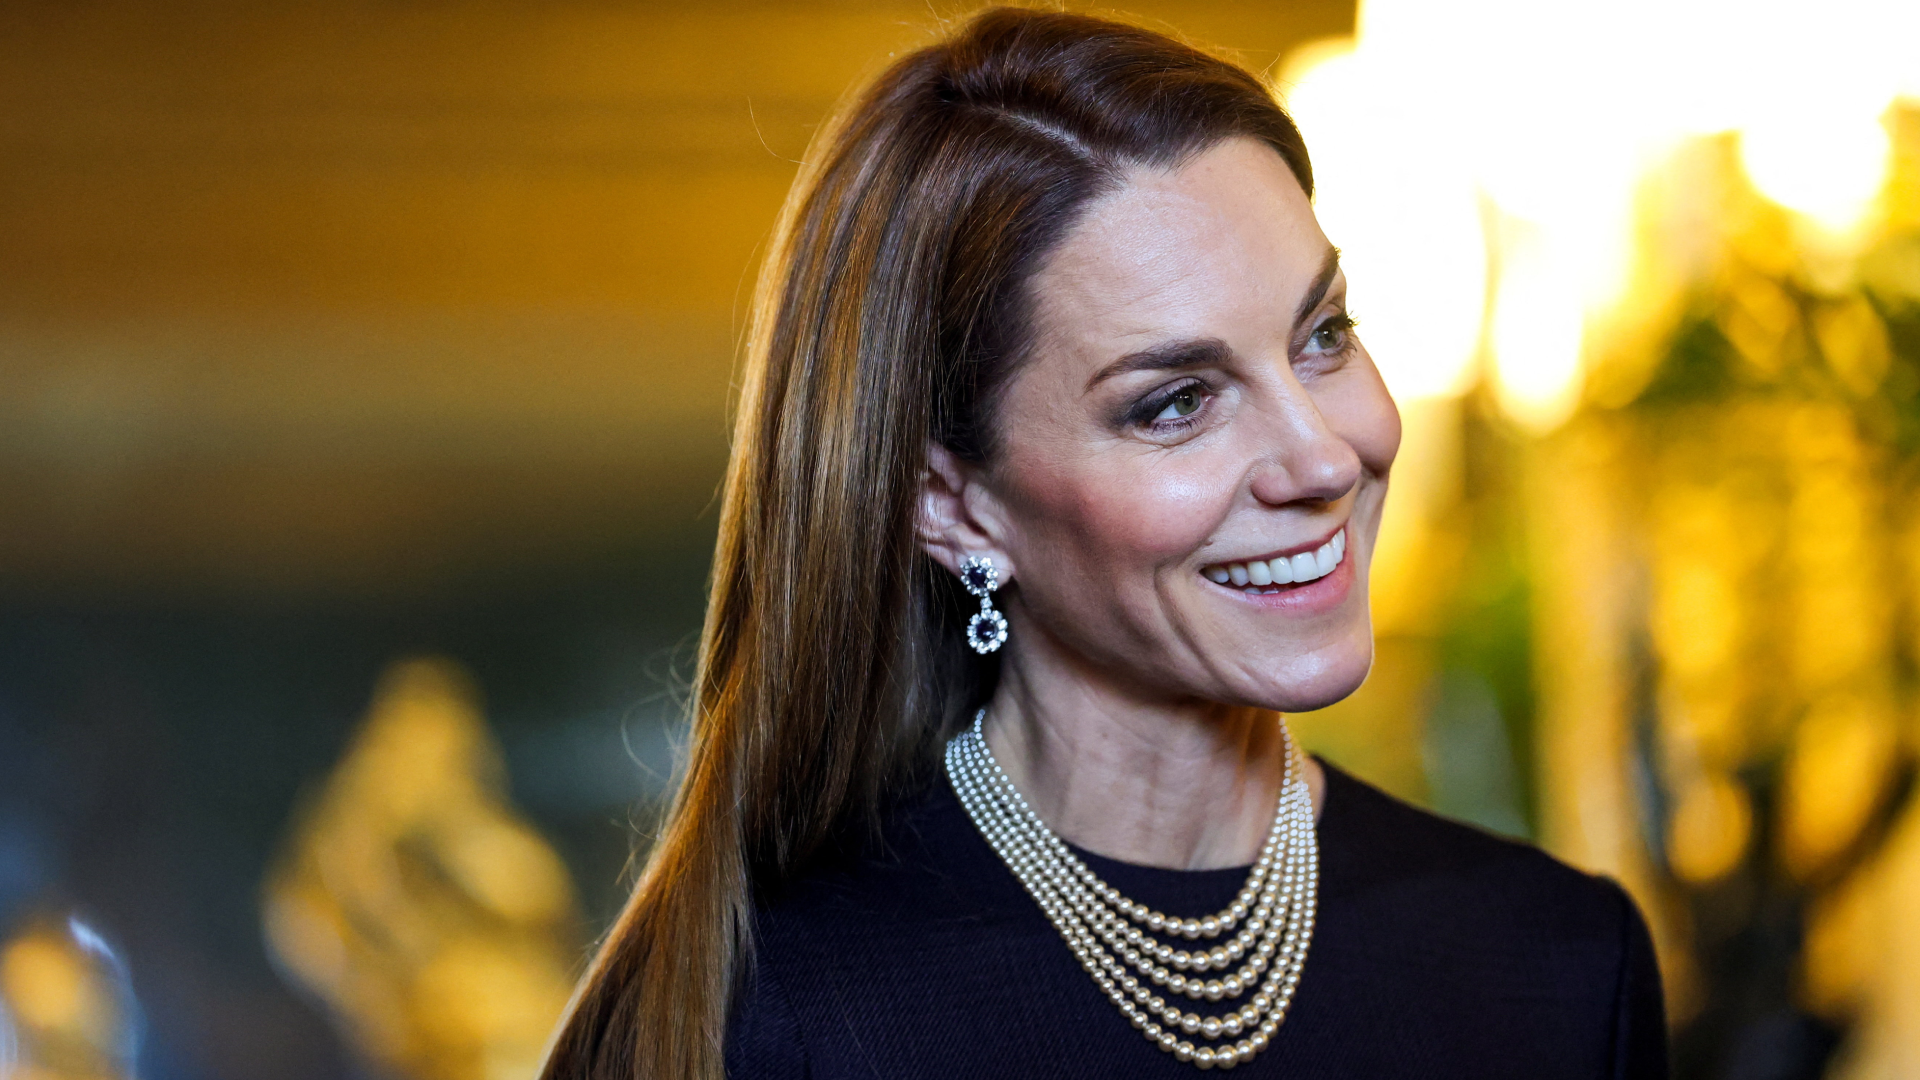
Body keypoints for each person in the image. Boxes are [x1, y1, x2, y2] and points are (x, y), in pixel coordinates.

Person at [540, 8, 1667, 1079]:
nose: (1324, 458)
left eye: (1324, 335)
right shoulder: (763, 1016)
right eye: (1177, 401)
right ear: (953, 506)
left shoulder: (1561, 964)